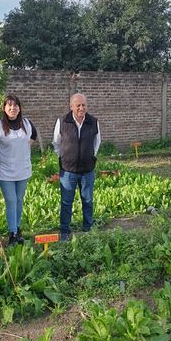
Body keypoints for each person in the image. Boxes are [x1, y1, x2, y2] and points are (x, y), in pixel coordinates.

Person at [0, 95, 38, 246]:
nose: (13, 108)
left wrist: (24, 148)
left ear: (19, 108)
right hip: (4, 171)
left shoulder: (27, 124)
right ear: (4, 108)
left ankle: (17, 229)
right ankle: (12, 233)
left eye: (15, 105)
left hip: (23, 169)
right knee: (11, 201)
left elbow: (33, 136)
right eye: (9, 105)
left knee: (19, 200)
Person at [52, 93, 101, 241]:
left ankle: (88, 228)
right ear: (71, 106)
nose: (81, 108)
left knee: (88, 200)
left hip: (87, 170)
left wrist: (90, 156)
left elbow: (97, 142)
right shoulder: (62, 121)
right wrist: (65, 157)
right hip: (68, 171)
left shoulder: (93, 121)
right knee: (66, 202)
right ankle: (65, 231)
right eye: (78, 105)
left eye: (83, 105)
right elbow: (56, 143)